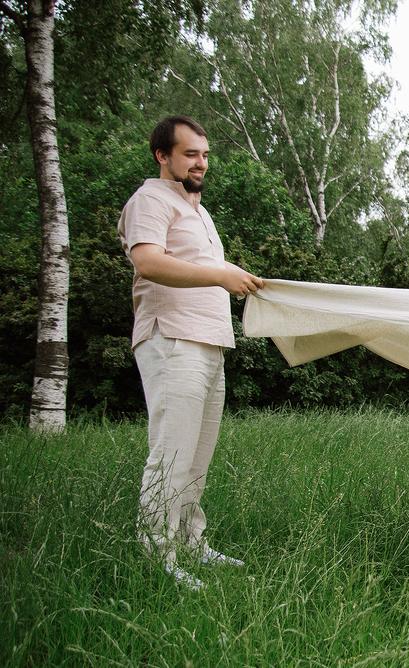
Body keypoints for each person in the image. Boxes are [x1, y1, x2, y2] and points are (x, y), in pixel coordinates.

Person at [117, 115, 264, 589]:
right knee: (172, 451)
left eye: (204, 154)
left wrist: (232, 273)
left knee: (197, 456)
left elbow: (202, 264)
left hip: (209, 340)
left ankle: (190, 543)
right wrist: (222, 275)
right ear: (163, 156)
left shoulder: (197, 210)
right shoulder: (151, 200)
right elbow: (149, 260)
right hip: (172, 338)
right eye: (189, 154)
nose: (200, 162)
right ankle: (158, 554)